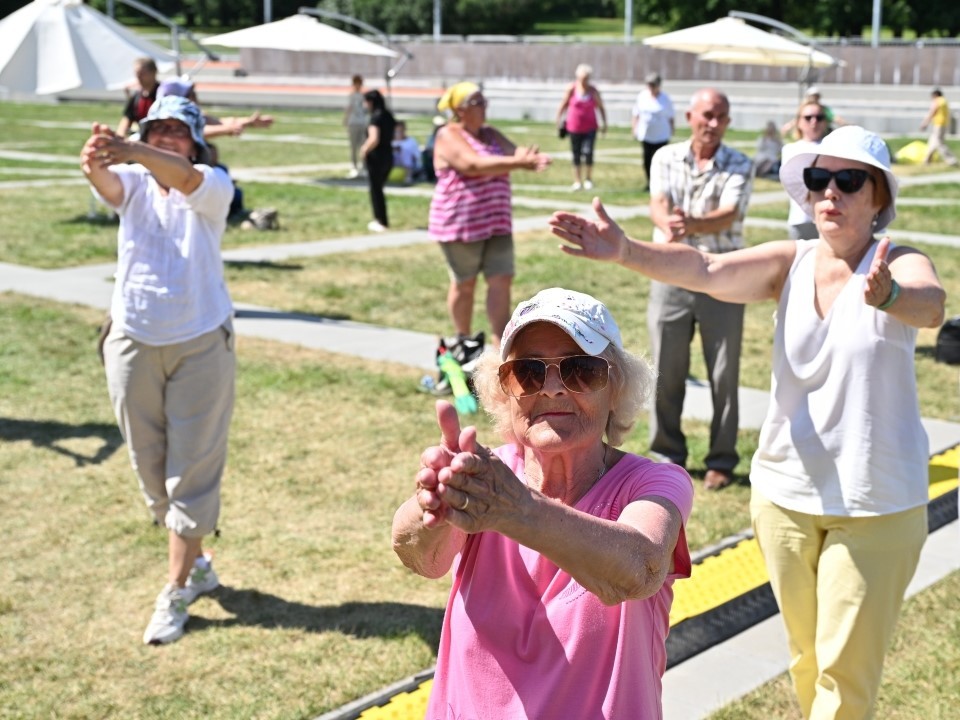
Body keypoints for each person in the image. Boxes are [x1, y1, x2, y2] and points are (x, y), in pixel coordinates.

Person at [549, 125, 945, 720]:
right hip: (785, 497)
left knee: (845, 675)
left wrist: (888, 297)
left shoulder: (901, 262)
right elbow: (706, 268)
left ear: (880, 197)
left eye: (848, 180)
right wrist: (627, 250)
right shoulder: (793, 260)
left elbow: (931, 306)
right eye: (818, 179)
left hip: (877, 504)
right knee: (808, 659)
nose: (829, 193)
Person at [393, 287, 694, 719]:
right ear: (504, 392)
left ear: (617, 389)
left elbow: (640, 568)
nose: (552, 389)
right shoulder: (486, 480)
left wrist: (518, 512)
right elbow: (421, 557)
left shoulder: (653, 483)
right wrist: (433, 509)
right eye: (528, 373)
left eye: (581, 370)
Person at [81, 95, 237, 645]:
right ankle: (197, 562)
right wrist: (98, 158)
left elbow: (185, 179)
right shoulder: (134, 180)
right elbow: (108, 184)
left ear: (194, 140)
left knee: (190, 473)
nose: (167, 136)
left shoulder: (213, 183)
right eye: (157, 129)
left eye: (177, 130)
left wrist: (134, 148)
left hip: (200, 344)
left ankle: (174, 590)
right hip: (132, 339)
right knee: (150, 472)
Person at [643, 88, 753, 491]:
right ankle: (666, 454)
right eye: (707, 114)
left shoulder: (740, 163)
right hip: (670, 272)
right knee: (665, 368)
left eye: (721, 116)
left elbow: (729, 214)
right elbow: (657, 202)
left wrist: (688, 223)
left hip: (723, 277)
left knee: (724, 373)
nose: (713, 123)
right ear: (689, 115)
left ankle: (721, 459)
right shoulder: (665, 157)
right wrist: (668, 221)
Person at [429, 82, 551, 349]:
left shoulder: (491, 134)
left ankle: (500, 345)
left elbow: (515, 151)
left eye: (485, 101)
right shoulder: (447, 135)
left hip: (496, 221)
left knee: (501, 279)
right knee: (465, 283)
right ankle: (464, 341)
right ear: (460, 109)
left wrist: (531, 157)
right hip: (460, 224)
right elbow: (471, 165)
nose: (485, 107)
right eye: (478, 102)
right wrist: (519, 163)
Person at [155, 78, 275, 139]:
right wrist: (226, 130)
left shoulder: (193, 115)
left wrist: (249, 122)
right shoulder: (167, 121)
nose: (195, 97)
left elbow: (218, 122)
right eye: (191, 94)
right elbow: (196, 132)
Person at [783, 100, 831, 239]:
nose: (814, 122)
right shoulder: (791, 149)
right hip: (801, 217)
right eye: (808, 117)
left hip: (828, 216)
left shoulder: (833, 147)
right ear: (798, 122)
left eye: (819, 117)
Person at [556, 64, 607, 191]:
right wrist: (558, 120)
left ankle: (588, 179)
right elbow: (563, 105)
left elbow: (601, 107)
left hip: (590, 127)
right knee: (576, 154)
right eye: (581, 78)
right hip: (574, 127)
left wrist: (604, 123)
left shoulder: (593, 91)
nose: (584, 81)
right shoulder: (571, 89)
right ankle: (577, 181)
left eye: (586, 78)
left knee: (588, 152)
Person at [358, 89, 396, 233]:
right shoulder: (388, 116)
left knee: (376, 190)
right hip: (388, 155)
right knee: (380, 188)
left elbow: (374, 138)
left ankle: (380, 220)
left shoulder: (375, 118)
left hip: (376, 157)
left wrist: (364, 149)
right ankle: (382, 219)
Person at [631, 72, 675, 191]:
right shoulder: (642, 96)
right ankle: (649, 182)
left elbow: (671, 116)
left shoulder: (665, 98)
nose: (651, 87)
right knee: (647, 160)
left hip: (661, 135)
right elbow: (636, 113)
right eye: (649, 85)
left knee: (660, 161)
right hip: (646, 134)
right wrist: (634, 128)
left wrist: (672, 129)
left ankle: (661, 184)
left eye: (653, 85)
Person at [116, 57, 159, 138]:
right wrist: (118, 139)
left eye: (143, 73)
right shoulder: (136, 96)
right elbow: (126, 119)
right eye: (137, 73)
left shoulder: (163, 94)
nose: (139, 77)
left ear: (154, 72)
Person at [920, 88, 958, 166]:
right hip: (944, 123)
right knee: (932, 142)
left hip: (939, 124)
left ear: (935, 95)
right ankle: (927, 160)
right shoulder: (945, 101)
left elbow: (933, 112)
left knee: (939, 143)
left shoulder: (937, 101)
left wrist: (925, 123)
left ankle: (951, 160)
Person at [343, 74, 368, 179]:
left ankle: (364, 166)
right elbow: (350, 108)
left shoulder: (364, 96)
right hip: (353, 123)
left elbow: (366, 109)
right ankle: (354, 166)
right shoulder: (352, 95)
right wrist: (346, 120)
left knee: (363, 146)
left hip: (362, 122)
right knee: (353, 146)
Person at [391, 120, 422, 185]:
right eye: (396, 131)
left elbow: (417, 157)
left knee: (405, 151)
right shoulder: (390, 141)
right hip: (393, 163)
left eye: (400, 131)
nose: (398, 133)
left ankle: (408, 177)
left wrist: (401, 151)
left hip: (409, 165)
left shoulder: (411, 141)